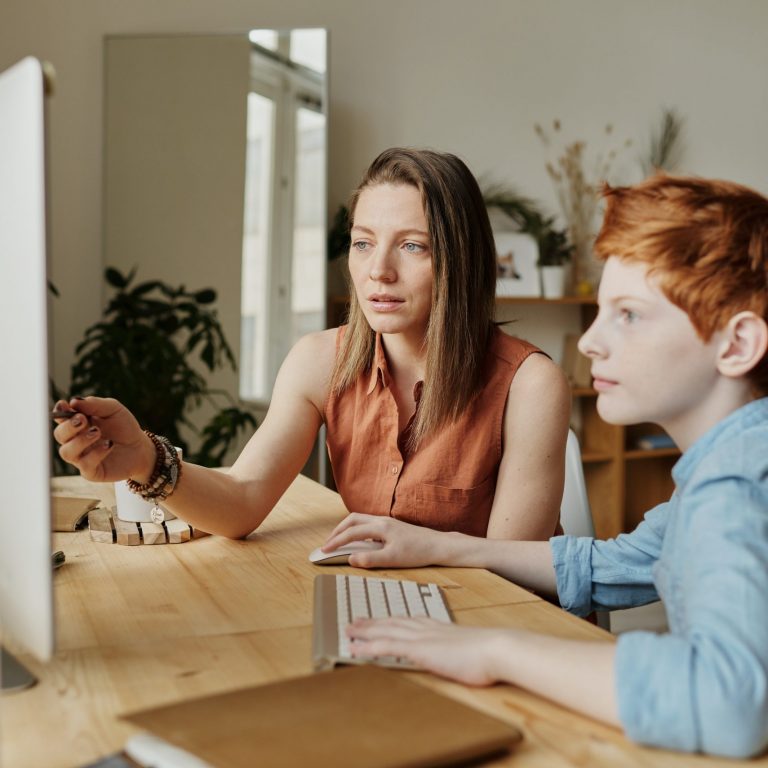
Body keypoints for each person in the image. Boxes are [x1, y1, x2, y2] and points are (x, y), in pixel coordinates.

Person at [329, 175, 768, 758]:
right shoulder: (729, 463)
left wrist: (495, 652)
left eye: (629, 316)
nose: (589, 342)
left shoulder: (737, 484)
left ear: (737, 345)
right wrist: (443, 546)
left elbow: (725, 704)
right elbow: (621, 563)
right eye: (601, 312)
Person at [53, 147, 570, 543]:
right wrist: (146, 459)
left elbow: (512, 575)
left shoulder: (530, 385)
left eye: (412, 246)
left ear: (462, 260)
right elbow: (242, 500)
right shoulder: (320, 361)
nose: (378, 270)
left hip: (498, 624)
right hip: (392, 607)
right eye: (363, 242)